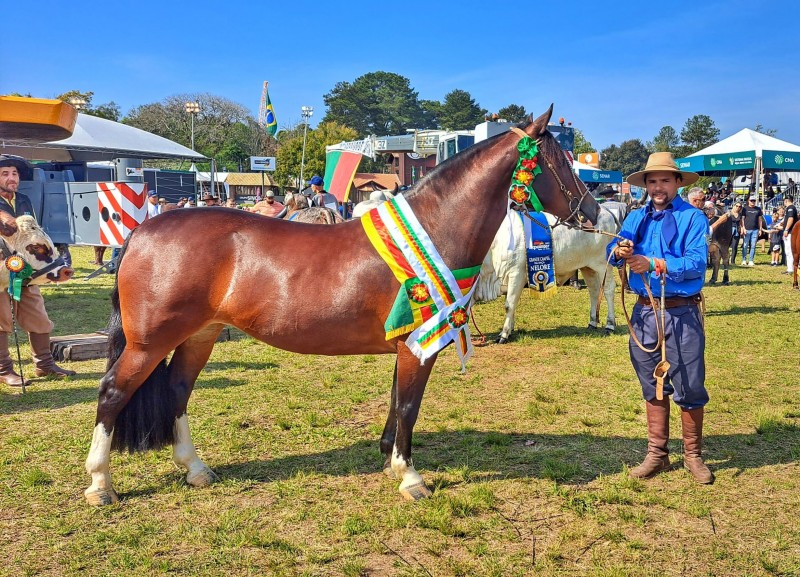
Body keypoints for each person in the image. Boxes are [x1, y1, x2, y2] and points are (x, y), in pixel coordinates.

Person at [606, 152, 713, 484]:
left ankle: (693, 456)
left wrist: (654, 264)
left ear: (678, 183)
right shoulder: (636, 218)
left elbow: (697, 264)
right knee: (652, 382)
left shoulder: (693, 219)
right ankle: (658, 454)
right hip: (644, 312)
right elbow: (611, 254)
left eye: (665, 180)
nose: (657, 187)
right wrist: (620, 252)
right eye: (652, 181)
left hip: (682, 312)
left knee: (690, 383)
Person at [0, 155, 76, 386]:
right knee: (1, 319)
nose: (11, 178)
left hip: (26, 270)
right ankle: (3, 370)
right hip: (1, 270)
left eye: (14, 173)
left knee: (39, 317)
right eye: (5, 174)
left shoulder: (24, 199)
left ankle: (44, 364)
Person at [740, 195, 765, 266]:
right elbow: (742, 219)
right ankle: (744, 260)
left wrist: (760, 229)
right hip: (747, 230)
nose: (753, 202)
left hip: (755, 230)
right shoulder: (745, 209)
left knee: (753, 245)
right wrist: (743, 228)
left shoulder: (758, 209)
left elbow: (760, 220)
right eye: (751, 201)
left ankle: (751, 260)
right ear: (748, 201)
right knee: (745, 245)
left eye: (754, 201)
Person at [782, 195, 797, 275]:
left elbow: (790, 219)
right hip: (790, 232)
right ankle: (790, 268)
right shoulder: (790, 208)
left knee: (789, 250)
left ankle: (790, 269)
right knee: (788, 251)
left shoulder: (790, 208)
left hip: (790, 232)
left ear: (786, 200)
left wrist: (786, 229)